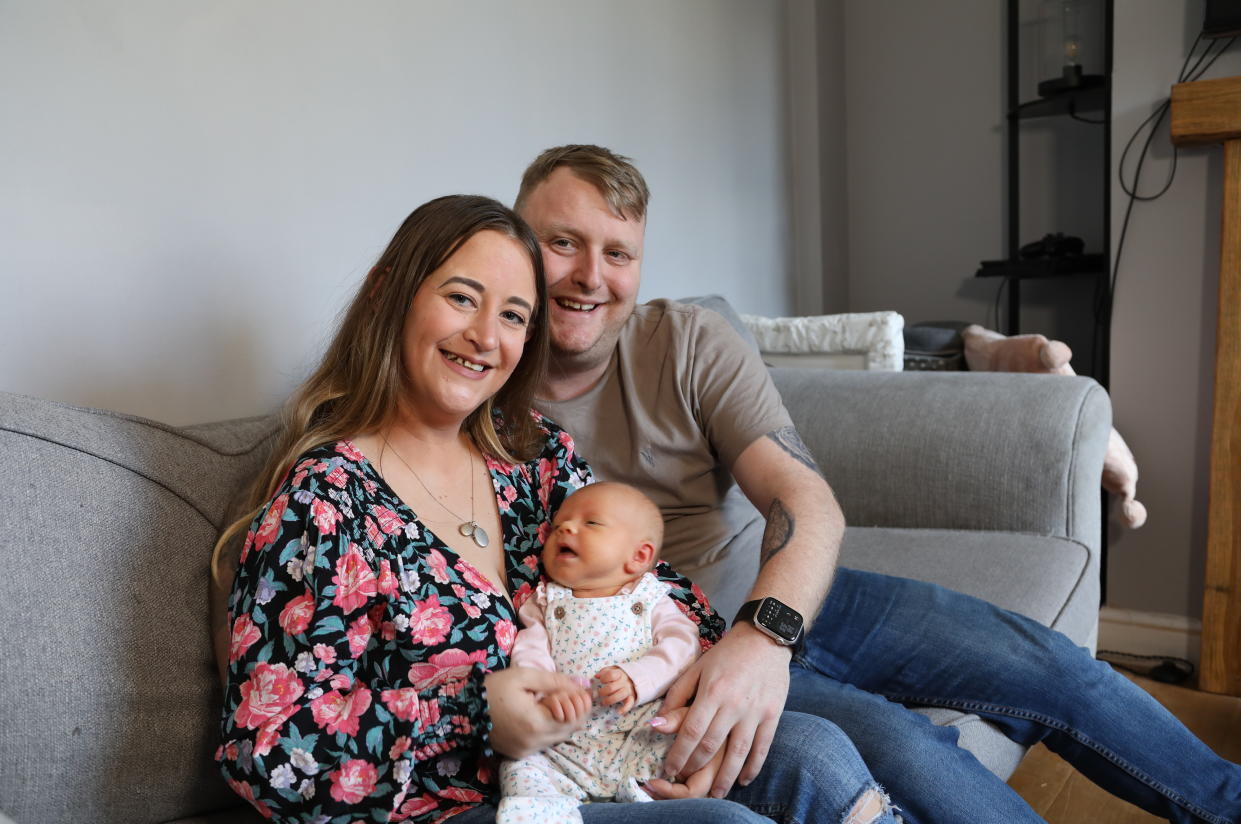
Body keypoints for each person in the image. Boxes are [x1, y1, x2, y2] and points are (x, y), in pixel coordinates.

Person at [515, 143, 1241, 824]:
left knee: (1055, 671)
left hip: (791, 589)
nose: (590, 276)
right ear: (516, 244)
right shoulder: (479, 393)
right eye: (562, 243)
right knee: (905, 752)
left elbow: (806, 503)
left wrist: (761, 638)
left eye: (617, 253)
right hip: (673, 648)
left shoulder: (684, 340)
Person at [212, 193, 898, 824]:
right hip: (455, 806)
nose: (487, 336)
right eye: (461, 298)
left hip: (602, 750)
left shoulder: (536, 460)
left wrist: (688, 702)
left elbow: (656, 587)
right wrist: (471, 713)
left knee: (813, 750)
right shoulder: (323, 505)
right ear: (386, 294)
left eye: (513, 315)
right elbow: (266, 755)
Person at [499, 482, 709, 823]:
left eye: (591, 523)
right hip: (565, 740)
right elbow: (529, 652)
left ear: (638, 556)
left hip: (638, 728)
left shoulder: (649, 598)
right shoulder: (545, 602)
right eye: (557, 527)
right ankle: (546, 811)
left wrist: (637, 678)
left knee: (688, 738)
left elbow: (684, 645)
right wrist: (544, 692)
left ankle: (645, 794)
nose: (566, 528)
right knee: (520, 764)